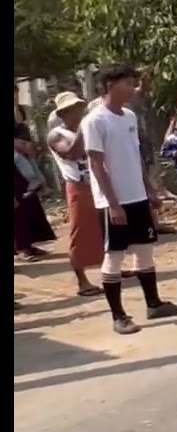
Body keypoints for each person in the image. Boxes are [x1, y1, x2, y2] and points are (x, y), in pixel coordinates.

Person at [81, 64, 177, 334]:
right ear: (109, 86)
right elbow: (96, 164)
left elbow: (135, 154)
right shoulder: (94, 120)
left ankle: (154, 304)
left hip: (137, 195)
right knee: (115, 256)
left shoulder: (128, 116)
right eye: (127, 83)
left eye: (132, 83)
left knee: (144, 249)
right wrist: (114, 203)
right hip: (113, 201)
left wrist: (149, 189)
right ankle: (119, 316)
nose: (132, 88)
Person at [46, 92, 105, 297]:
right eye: (73, 110)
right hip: (78, 186)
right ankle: (82, 281)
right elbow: (72, 153)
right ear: (63, 113)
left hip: (98, 183)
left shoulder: (89, 128)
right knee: (80, 233)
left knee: (105, 229)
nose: (78, 113)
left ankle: (110, 267)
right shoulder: (56, 135)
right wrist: (84, 128)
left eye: (79, 108)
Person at [13, 88, 55, 262]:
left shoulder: (19, 110)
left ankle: (29, 244)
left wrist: (27, 145)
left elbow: (22, 127)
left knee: (29, 202)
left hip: (22, 158)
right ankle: (20, 246)